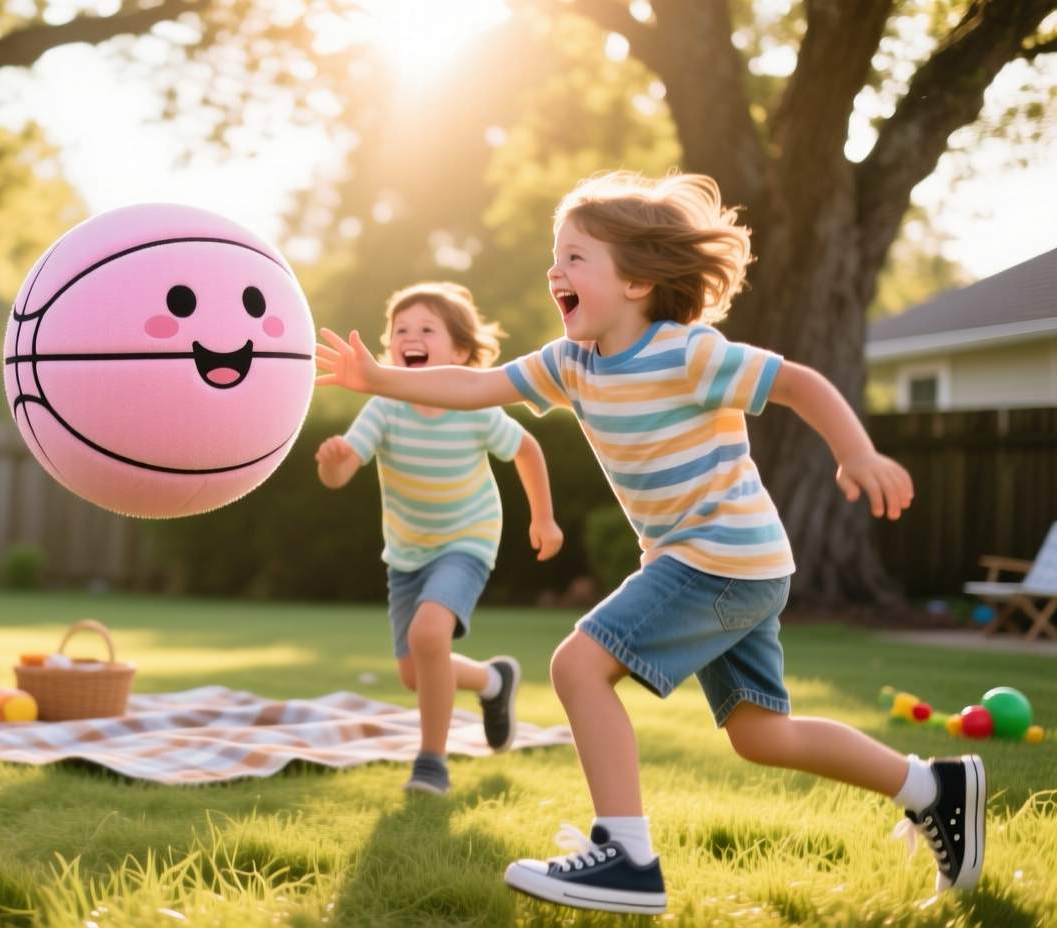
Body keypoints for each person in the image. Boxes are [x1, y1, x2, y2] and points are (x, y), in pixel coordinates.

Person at [315, 172, 982, 914]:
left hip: (719, 558)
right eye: (555, 259)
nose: (553, 272)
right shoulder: (573, 364)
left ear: (634, 280)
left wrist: (856, 452)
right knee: (763, 736)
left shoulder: (688, 352)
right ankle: (935, 787)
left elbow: (798, 384)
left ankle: (626, 856)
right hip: (735, 567)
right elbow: (477, 388)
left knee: (577, 666)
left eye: (574, 259)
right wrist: (378, 377)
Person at [315, 282, 563, 796]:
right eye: (400, 331)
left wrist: (544, 518)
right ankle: (495, 682)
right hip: (406, 553)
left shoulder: (475, 408)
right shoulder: (384, 407)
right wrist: (334, 465)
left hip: (467, 540)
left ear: (461, 354)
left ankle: (431, 763)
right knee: (416, 673)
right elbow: (340, 475)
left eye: (426, 329)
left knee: (429, 638)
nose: (411, 336)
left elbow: (528, 448)